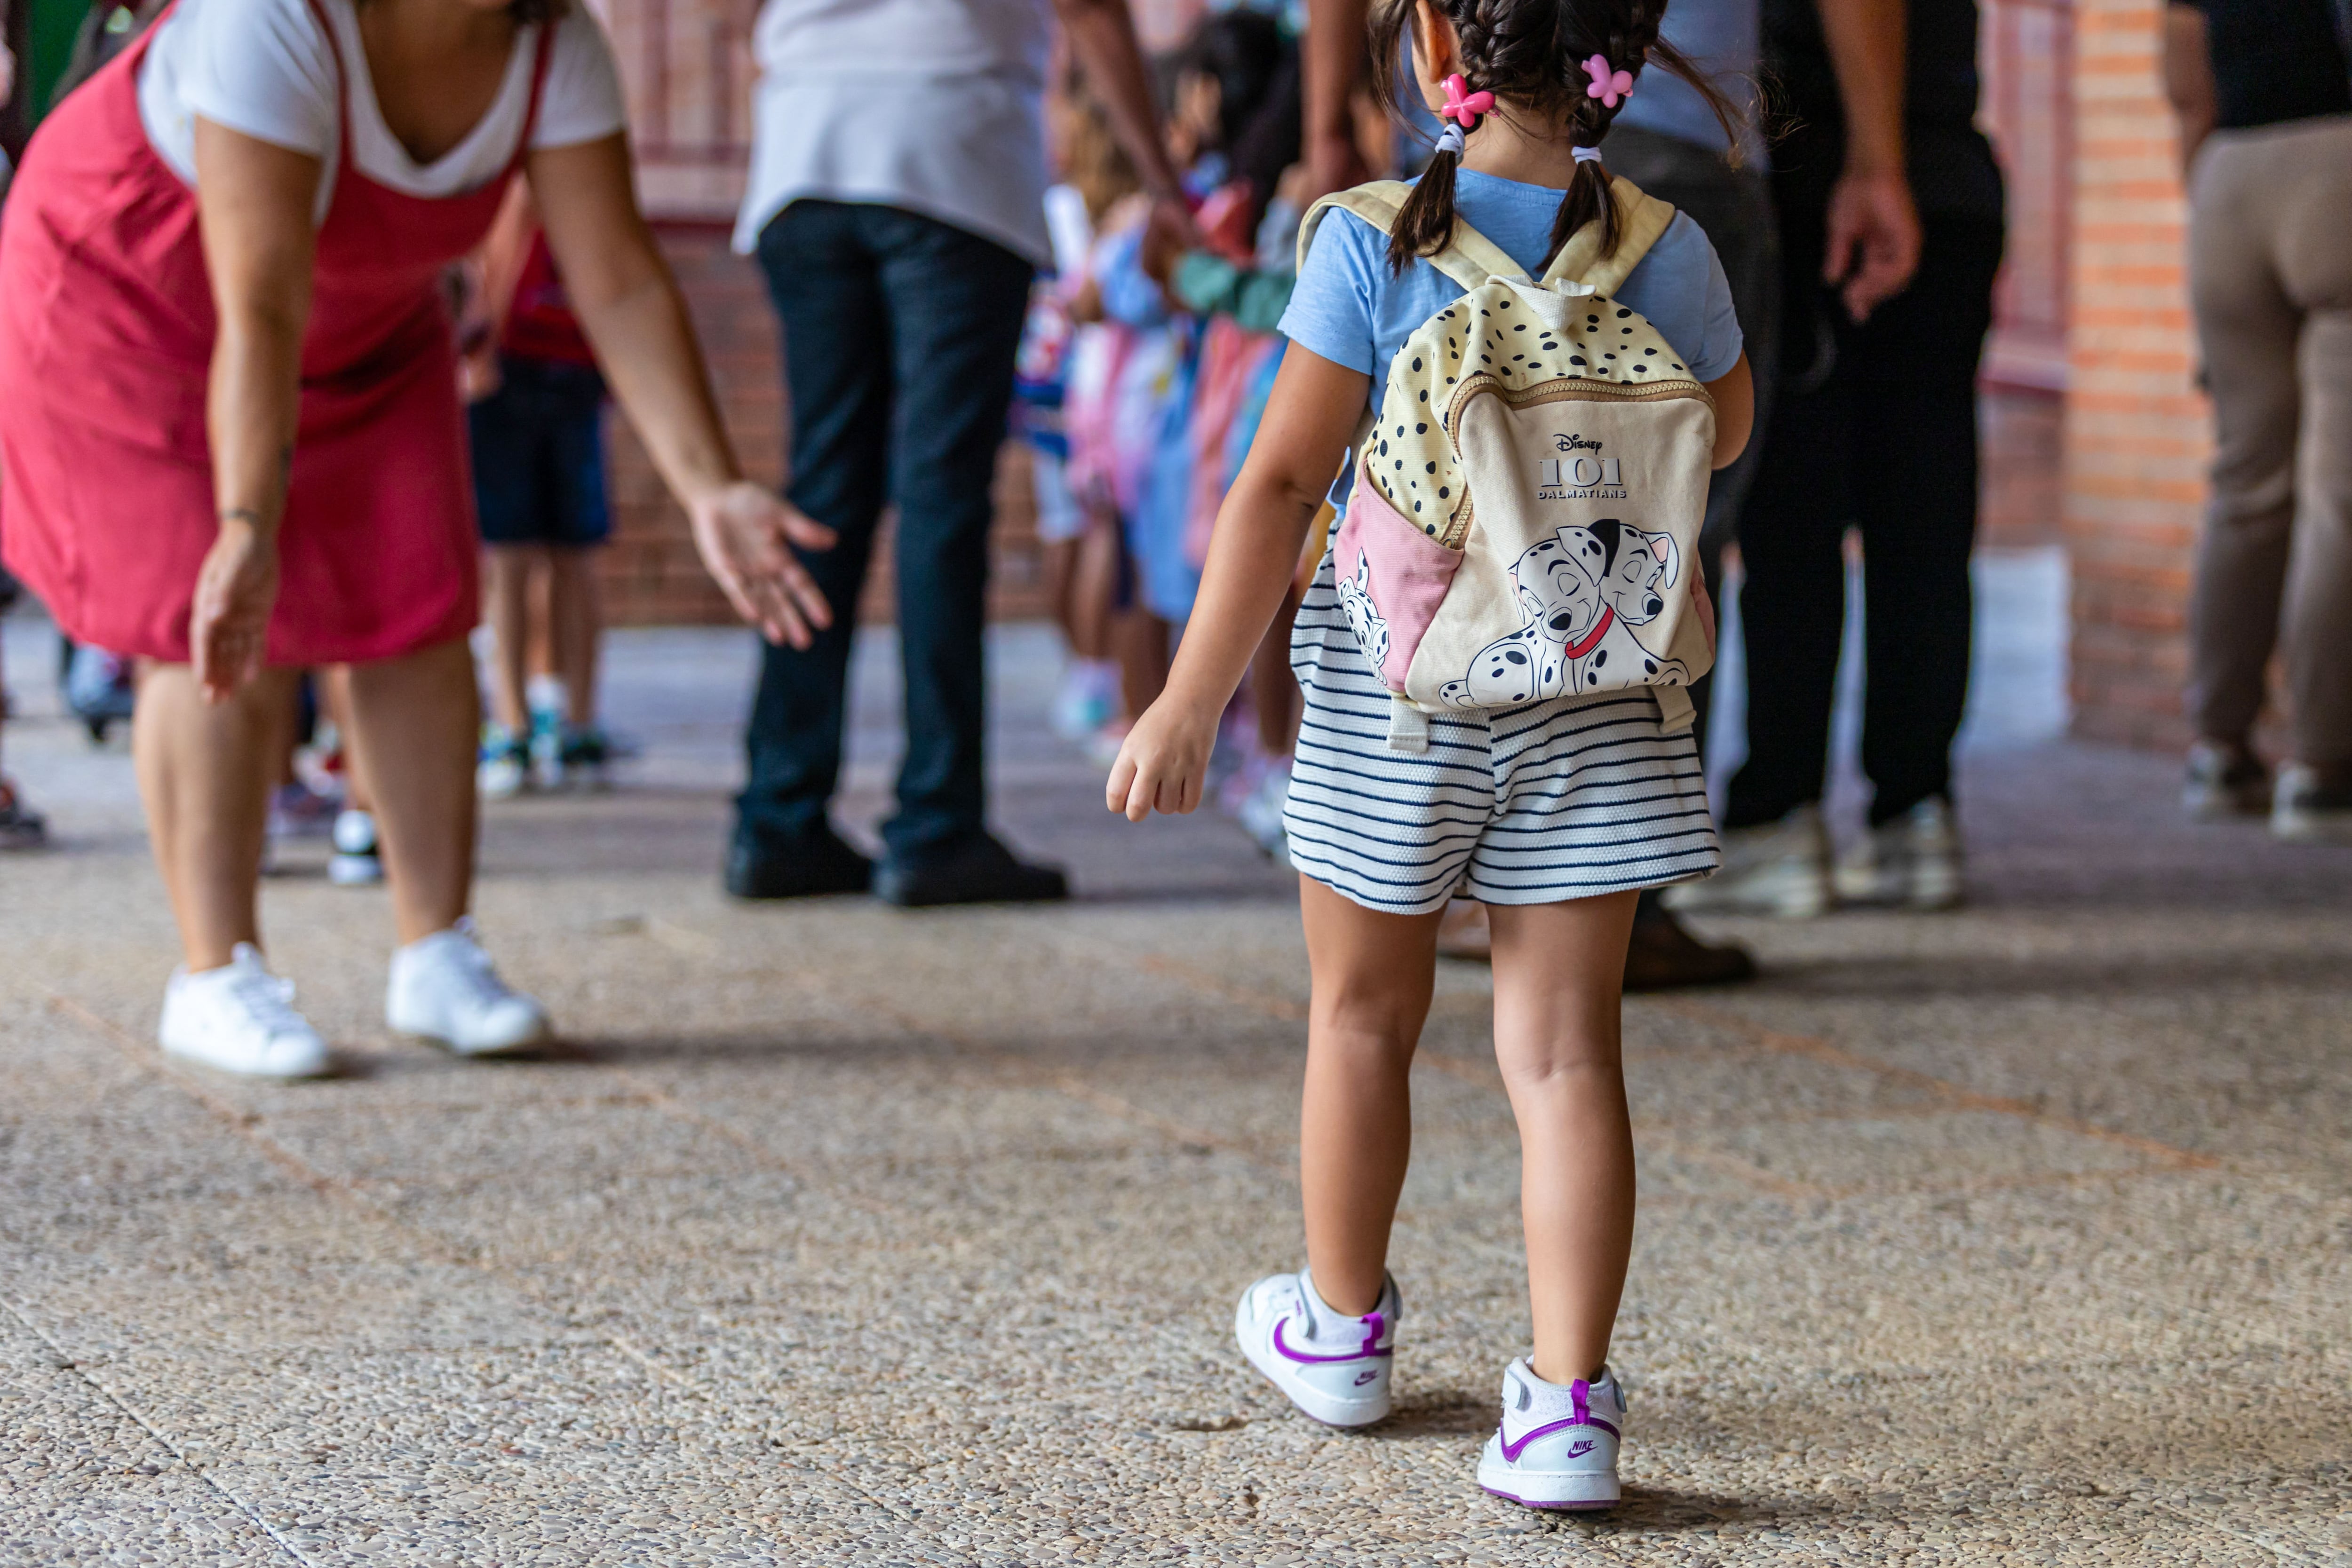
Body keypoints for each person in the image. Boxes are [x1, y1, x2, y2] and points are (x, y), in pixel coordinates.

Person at [1110, 0, 1753, 1510]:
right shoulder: (1673, 248)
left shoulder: (1368, 239)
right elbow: (1718, 438)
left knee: (1359, 1018)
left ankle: (1339, 1329)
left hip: (1399, 701)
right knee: (1567, 1051)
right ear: (1624, 53)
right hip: (1601, 692)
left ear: (1441, 54)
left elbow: (1276, 484)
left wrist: (1191, 698)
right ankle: (1568, 1411)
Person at [0, 0, 834, 1077]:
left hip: (364, 317)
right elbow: (257, 300)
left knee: (418, 601)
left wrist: (711, 484)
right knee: (211, 616)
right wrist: (249, 523)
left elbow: (617, 275)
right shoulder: (273, 19)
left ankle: (437, 955)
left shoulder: (551, 47)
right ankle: (215, 975)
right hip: (142, 296)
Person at [727, 0, 1192, 907]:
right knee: (940, 497)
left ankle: (777, 817)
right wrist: (1162, 181)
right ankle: (935, 825)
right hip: (952, 152)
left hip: (802, 153)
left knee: (824, 492)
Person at [1672, 0, 1988, 917]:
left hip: (1830, 183)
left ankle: (1782, 811)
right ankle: (1914, 811)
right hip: (1947, 175)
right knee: (1923, 520)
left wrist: (1871, 159)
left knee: (1791, 522)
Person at [2164, 1, 2352, 843]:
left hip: (2228, 183)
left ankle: (2220, 749)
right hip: (2338, 167)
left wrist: (2204, 207)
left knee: (2246, 484)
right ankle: (2320, 764)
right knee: (2338, 499)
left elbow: (2185, 85)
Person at [463, 179, 616, 797]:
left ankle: (526, 723)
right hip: (551, 360)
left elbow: (503, 240)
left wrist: (481, 347)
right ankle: (554, 722)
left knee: (526, 555)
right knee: (543, 554)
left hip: (538, 360)